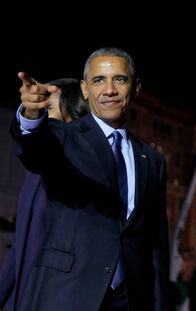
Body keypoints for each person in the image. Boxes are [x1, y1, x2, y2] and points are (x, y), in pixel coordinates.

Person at [9, 47, 171, 310]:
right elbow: (34, 152)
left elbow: (156, 245)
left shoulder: (152, 160)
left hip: (131, 300)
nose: (109, 90)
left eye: (120, 79)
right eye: (99, 80)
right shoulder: (63, 137)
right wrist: (30, 115)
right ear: (85, 89)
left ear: (136, 87)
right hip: (67, 295)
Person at [0, 78, 89, 311]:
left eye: (48, 109)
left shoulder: (80, 172)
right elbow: (19, 247)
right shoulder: (35, 174)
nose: (40, 115)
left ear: (73, 116)